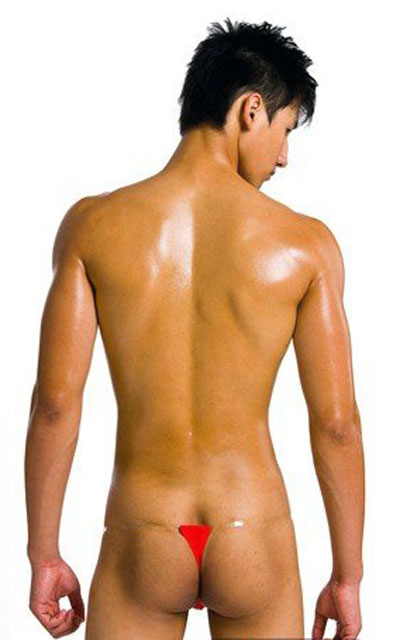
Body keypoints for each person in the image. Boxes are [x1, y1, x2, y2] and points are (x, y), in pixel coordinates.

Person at [24, 17, 365, 640]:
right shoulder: (305, 245)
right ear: (251, 110)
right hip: (251, 531)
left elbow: (53, 405)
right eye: (286, 130)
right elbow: (337, 425)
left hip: (144, 532)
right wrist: (347, 576)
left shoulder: (93, 227)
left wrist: (43, 555)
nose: (283, 157)